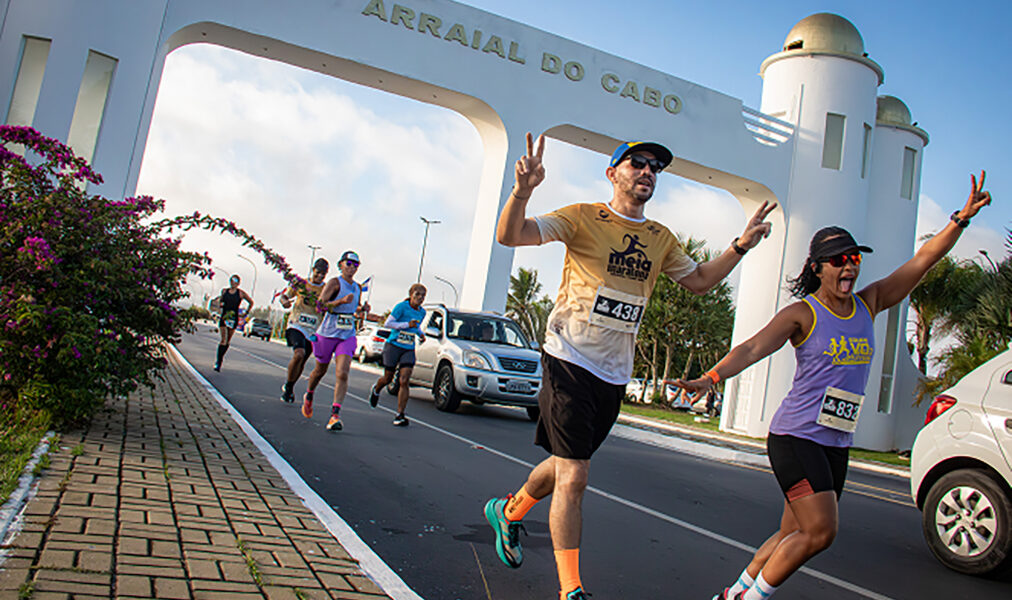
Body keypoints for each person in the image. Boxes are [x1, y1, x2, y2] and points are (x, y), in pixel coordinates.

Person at [485, 133, 777, 600]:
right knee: (575, 475)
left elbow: (700, 281)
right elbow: (510, 235)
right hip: (568, 356)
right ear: (613, 172)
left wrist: (740, 246)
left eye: (654, 168)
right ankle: (571, 590)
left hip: (614, 371)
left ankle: (510, 511)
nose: (647, 172)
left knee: (565, 467)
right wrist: (522, 192)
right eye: (636, 163)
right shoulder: (582, 217)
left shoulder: (660, 239)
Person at [672, 173, 992, 600]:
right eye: (838, 260)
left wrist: (959, 221)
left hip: (835, 441)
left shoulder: (869, 303)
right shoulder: (801, 314)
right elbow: (751, 348)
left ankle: (733, 594)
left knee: (793, 531)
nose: (849, 266)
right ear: (817, 267)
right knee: (821, 531)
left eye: (854, 258)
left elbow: (920, 263)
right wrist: (709, 379)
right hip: (796, 436)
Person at [301, 251, 370, 431]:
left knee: (342, 373)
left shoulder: (357, 287)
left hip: (346, 334)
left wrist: (362, 309)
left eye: (356, 264)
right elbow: (320, 305)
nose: (352, 267)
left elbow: (354, 309)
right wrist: (339, 302)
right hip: (328, 332)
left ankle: (335, 415)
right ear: (341, 264)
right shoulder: (334, 282)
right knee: (319, 370)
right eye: (349, 263)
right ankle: (309, 394)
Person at [368, 283, 427, 427]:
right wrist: (406, 325)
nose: (420, 298)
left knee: (404, 380)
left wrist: (421, 334)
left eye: (423, 296)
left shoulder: (422, 312)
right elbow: (389, 324)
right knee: (388, 378)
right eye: (417, 294)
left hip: (408, 348)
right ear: (411, 294)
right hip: (393, 345)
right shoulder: (401, 307)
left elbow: (416, 326)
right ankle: (376, 389)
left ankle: (400, 414)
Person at [278, 258, 329, 403]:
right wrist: (284, 302)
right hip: (297, 325)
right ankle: (288, 386)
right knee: (299, 354)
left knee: (303, 360)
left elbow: (331, 306)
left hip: (313, 330)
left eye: (323, 274)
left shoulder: (326, 289)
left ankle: (289, 386)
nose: (320, 276)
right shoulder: (301, 284)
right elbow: (284, 296)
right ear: (313, 270)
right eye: (318, 273)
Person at [214, 274, 253, 372]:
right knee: (224, 339)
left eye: (236, 282)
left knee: (227, 341)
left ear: (238, 283)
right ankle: (218, 362)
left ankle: (221, 358)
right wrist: (219, 309)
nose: (233, 283)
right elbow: (220, 302)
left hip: (233, 318)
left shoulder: (241, 293)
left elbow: (251, 302)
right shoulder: (224, 291)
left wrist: (245, 313)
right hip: (224, 317)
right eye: (232, 281)